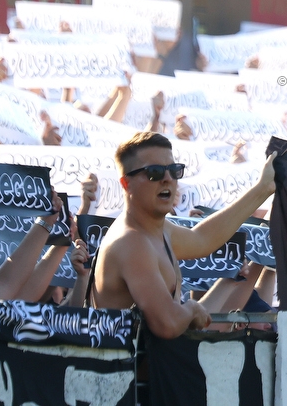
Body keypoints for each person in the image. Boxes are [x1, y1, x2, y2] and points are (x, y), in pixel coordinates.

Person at [91, 131, 276, 338]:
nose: (168, 179)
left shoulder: (158, 230)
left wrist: (263, 188)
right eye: (155, 172)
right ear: (126, 183)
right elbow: (167, 324)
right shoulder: (132, 242)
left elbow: (202, 240)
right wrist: (192, 308)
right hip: (127, 368)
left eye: (174, 170)